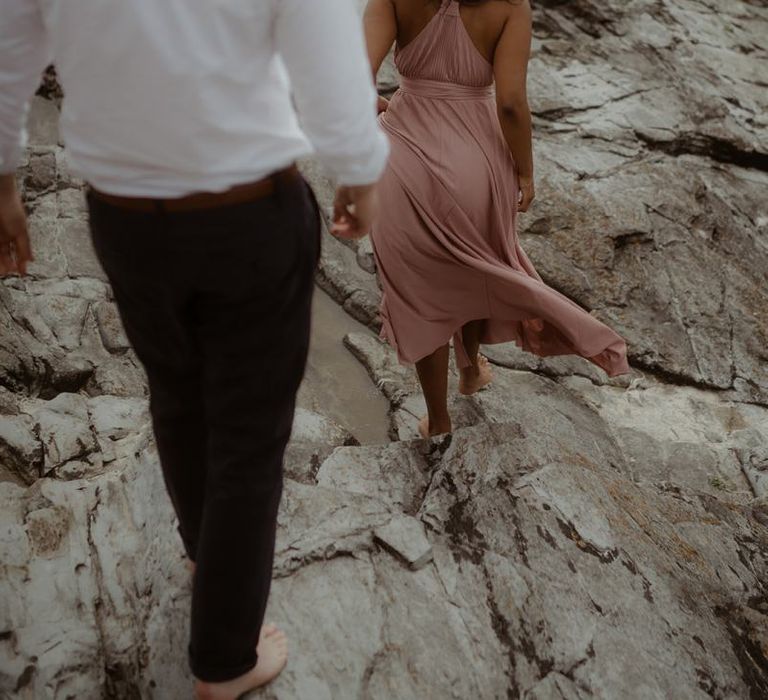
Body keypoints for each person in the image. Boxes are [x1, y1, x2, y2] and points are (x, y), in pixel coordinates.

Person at [0, 1, 388, 697]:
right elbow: (327, 57)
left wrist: (3, 178)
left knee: (177, 396)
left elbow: (8, 50)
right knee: (249, 438)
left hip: (124, 218)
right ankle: (225, 659)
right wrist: (359, 168)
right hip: (246, 214)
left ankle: (198, 551)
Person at [363, 0, 630, 437]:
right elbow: (509, 103)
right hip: (478, 161)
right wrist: (525, 169)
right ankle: (469, 373)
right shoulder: (510, 6)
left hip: (403, 160)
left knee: (421, 293)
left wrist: (383, 107)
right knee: (475, 265)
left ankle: (439, 420)